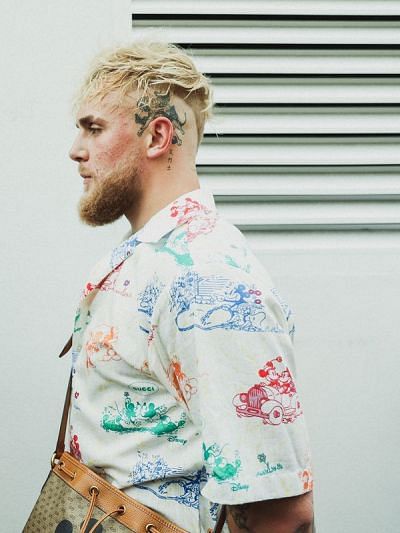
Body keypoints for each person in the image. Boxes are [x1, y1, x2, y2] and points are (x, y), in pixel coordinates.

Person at [64, 42, 314, 532]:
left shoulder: (204, 279)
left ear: (157, 136)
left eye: (94, 128)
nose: (76, 149)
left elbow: (279, 512)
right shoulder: (152, 258)